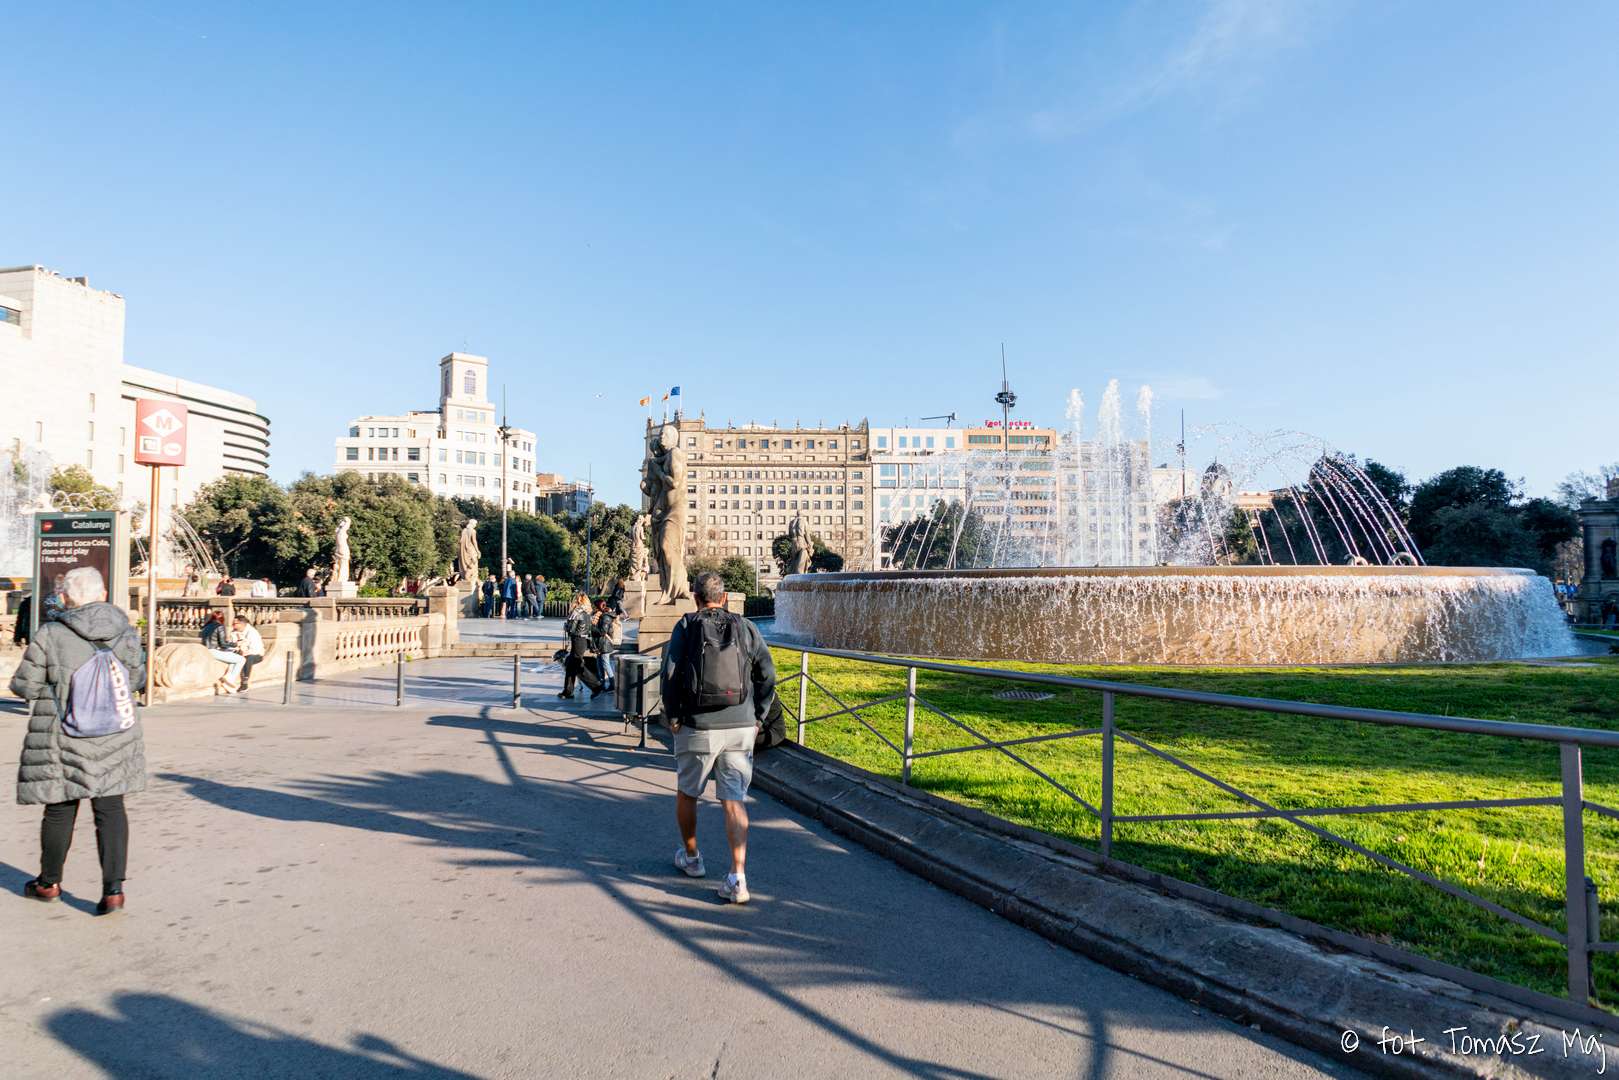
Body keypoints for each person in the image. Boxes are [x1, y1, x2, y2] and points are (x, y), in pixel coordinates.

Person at [10, 566, 146, 914]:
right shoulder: (126, 631)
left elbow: (25, 685)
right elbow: (136, 680)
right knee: (111, 809)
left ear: (66, 598)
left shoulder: (51, 633)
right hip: (115, 732)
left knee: (60, 807)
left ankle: (48, 883)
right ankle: (113, 891)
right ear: (103, 595)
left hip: (63, 733)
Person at [660, 571, 776, 904]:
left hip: (697, 726)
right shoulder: (746, 626)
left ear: (695, 597)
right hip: (741, 725)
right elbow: (767, 673)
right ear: (724, 598)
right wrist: (758, 717)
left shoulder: (686, 625)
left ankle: (692, 858)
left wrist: (674, 716)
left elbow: (669, 674)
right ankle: (738, 878)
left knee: (688, 792)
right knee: (734, 799)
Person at [559, 593, 605, 700]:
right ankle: (568, 691)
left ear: (578, 601)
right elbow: (588, 628)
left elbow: (571, 629)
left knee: (577, 665)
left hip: (578, 640)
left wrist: (566, 626)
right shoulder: (586, 613)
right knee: (570, 666)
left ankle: (596, 686)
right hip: (582, 640)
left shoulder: (577, 612)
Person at [200, 611, 245, 695]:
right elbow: (223, 644)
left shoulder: (206, 626)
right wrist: (236, 644)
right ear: (222, 618)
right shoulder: (219, 626)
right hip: (213, 651)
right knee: (241, 659)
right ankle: (230, 680)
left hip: (205, 650)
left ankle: (228, 680)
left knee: (233, 659)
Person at [592, 598, 622, 692]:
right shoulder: (601, 615)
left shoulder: (605, 617)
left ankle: (613, 685)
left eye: (594, 606)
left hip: (605, 644)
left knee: (606, 664)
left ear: (598, 606)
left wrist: (592, 628)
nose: (593, 608)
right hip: (600, 644)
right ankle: (602, 685)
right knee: (600, 665)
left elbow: (603, 631)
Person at [230, 615, 265, 691]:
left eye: (235, 623)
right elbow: (233, 645)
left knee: (248, 658)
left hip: (256, 654)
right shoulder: (234, 632)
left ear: (242, 624)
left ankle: (244, 683)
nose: (233, 625)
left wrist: (244, 652)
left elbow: (256, 649)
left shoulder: (252, 632)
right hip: (241, 652)